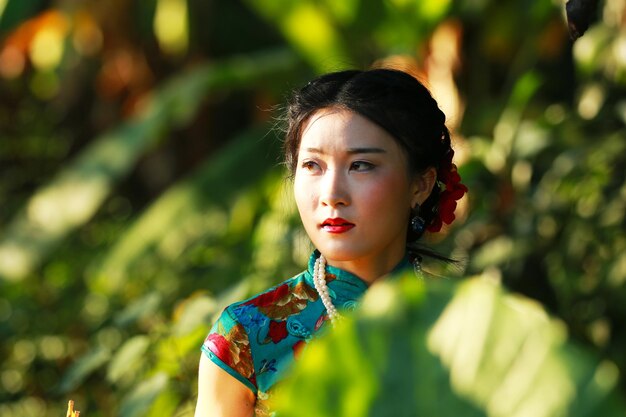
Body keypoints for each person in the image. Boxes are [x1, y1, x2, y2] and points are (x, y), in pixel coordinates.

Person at [194, 68, 468, 417]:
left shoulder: (471, 325)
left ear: (421, 184)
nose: (332, 194)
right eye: (312, 165)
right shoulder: (245, 337)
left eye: (361, 165)